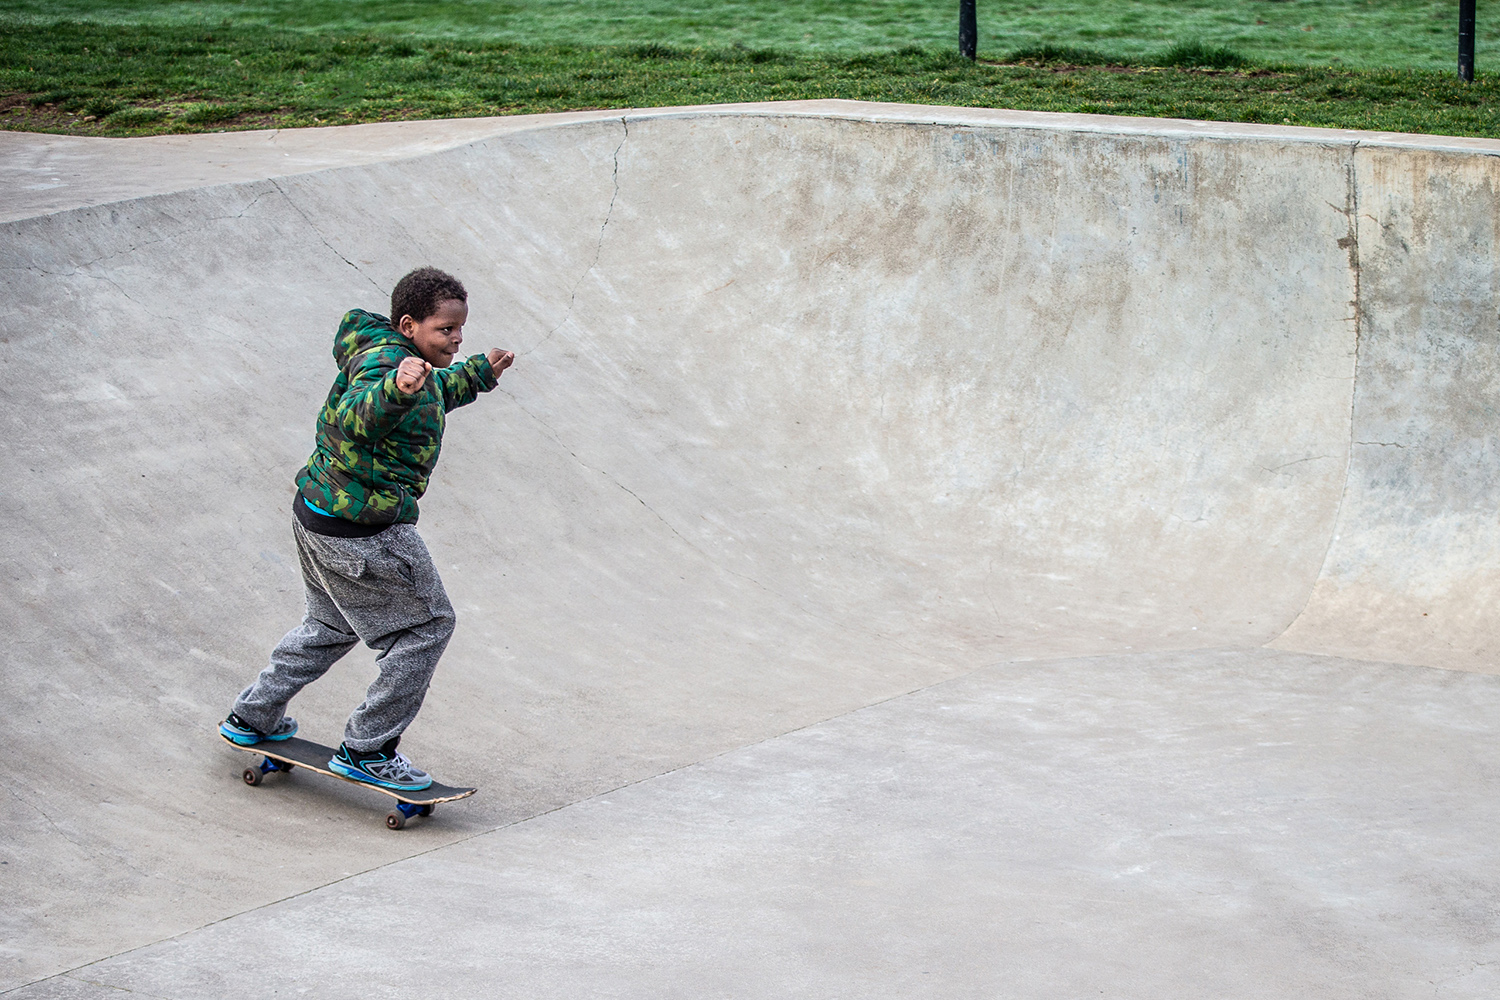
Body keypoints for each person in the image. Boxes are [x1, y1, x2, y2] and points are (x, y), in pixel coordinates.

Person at [220, 266, 514, 791]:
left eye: (460, 329)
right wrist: (396, 391)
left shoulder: (405, 362)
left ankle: (253, 715)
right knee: (427, 628)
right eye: (445, 330)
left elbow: (434, 393)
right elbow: (359, 414)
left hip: (318, 514)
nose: (458, 337)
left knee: (330, 625)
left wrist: (477, 374)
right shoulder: (387, 368)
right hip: (365, 528)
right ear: (408, 325)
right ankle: (369, 748)